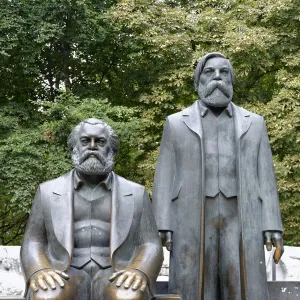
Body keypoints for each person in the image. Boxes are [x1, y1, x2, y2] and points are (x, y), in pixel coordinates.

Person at [152, 52, 284, 300]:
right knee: (195, 283)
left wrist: (272, 224)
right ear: (198, 81)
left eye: (224, 73)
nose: (217, 78)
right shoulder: (175, 123)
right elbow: (164, 175)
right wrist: (162, 223)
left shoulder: (254, 123)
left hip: (242, 214)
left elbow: (266, 176)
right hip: (191, 214)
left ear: (232, 80)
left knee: (240, 282)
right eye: (209, 72)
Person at [21, 118, 163, 300]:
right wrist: (40, 269)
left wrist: (139, 269)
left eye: (100, 142)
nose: (93, 146)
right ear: (74, 148)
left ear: (112, 149)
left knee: (128, 296)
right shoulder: (48, 192)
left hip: (116, 272)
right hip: (64, 271)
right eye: (85, 141)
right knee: (47, 295)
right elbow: (33, 242)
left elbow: (150, 243)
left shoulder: (136, 193)